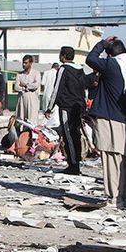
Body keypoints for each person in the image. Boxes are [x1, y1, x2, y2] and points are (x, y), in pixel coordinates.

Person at [86, 37, 126, 208]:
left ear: (111, 54)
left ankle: (113, 198)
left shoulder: (112, 65)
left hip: (110, 117)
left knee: (111, 158)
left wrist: (103, 44)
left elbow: (91, 59)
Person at [46, 46, 86, 175]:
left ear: (63, 56)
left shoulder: (63, 69)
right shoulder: (80, 70)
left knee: (68, 135)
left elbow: (57, 89)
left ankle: (73, 165)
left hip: (67, 107)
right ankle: (76, 162)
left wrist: (49, 107)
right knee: (76, 135)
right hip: (78, 106)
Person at [14, 55, 40, 123]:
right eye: (23, 63)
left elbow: (35, 85)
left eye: (26, 63)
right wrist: (25, 88)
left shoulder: (36, 73)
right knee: (21, 120)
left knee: (32, 120)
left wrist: (25, 85)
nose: (23, 64)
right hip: (21, 101)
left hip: (32, 101)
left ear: (30, 63)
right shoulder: (19, 74)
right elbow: (16, 87)